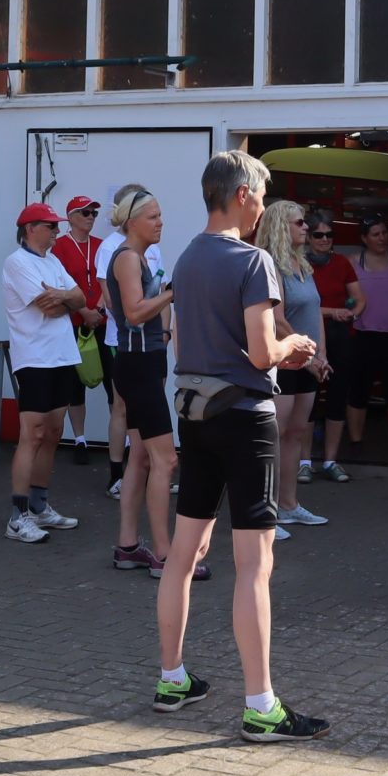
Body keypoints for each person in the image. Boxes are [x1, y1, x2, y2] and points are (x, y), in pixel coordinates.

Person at [152, 149, 328, 741]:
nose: (263, 207)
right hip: (247, 417)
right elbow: (261, 352)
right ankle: (261, 706)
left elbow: (183, 346)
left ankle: (171, 678)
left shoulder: (186, 258)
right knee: (254, 563)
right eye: (263, 194)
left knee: (184, 552)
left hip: (196, 413)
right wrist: (293, 347)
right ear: (243, 194)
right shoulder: (254, 261)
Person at [106, 187, 189, 576]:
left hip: (146, 362)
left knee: (140, 457)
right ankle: (164, 555)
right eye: (153, 217)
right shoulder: (126, 258)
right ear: (131, 222)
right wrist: (172, 294)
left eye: (160, 215)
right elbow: (135, 313)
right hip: (137, 365)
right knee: (166, 459)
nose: (161, 223)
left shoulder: (140, 256)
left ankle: (127, 547)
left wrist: (166, 332)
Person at [1, 202, 88, 543]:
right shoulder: (16, 262)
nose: (56, 231)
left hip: (61, 356)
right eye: (50, 226)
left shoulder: (52, 261)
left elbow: (80, 298)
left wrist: (63, 296)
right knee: (33, 434)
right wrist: (66, 300)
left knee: (53, 432)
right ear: (30, 229)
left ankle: (39, 505)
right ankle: (18, 516)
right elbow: (48, 309)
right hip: (35, 359)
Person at [255, 199, 329, 535]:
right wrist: (309, 358)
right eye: (299, 223)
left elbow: (315, 312)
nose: (307, 228)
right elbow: (278, 320)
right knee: (274, 435)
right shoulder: (271, 265)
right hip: (284, 361)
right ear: (281, 226)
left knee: (296, 433)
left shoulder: (302, 264)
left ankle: (289, 504)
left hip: (307, 362)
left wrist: (321, 355)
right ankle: (265, 512)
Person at [93, 182, 153, 492]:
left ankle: (144, 470)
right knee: (122, 405)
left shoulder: (152, 246)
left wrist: (163, 332)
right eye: (148, 212)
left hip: (151, 342)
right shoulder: (111, 248)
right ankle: (117, 475)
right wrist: (135, 320)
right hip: (122, 340)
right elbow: (110, 298)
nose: (157, 220)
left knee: (147, 405)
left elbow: (162, 289)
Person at [345, 212, 388, 458]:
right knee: (358, 391)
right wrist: (349, 310)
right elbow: (345, 297)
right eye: (375, 234)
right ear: (364, 238)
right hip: (363, 334)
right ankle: (355, 444)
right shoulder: (353, 262)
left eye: (384, 233)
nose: (382, 238)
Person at [304, 208, 363, 482]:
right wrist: (332, 312)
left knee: (338, 397)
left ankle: (330, 460)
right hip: (309, 336)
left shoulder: (341, 263)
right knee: (308, 399)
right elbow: (298, 305)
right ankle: (304, 461)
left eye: (329, 234)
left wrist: (353, 312)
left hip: (341, 335)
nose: (325, 239)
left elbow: (360, 298)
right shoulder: (299, 264)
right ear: (308, 237)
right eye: (319, 235)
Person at [52, 194, 111, 461]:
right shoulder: (60, 246)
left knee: (113, 380)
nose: (90, 218)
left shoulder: (101, 245)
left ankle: (121, 440)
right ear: (71, 217)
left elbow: (108, 280)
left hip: (102, 321)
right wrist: (83, 312)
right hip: (74, 323)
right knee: (75, 385)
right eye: (85, 213)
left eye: (93, 213)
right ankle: (80, 440)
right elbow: (60, 285)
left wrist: (98, 310)